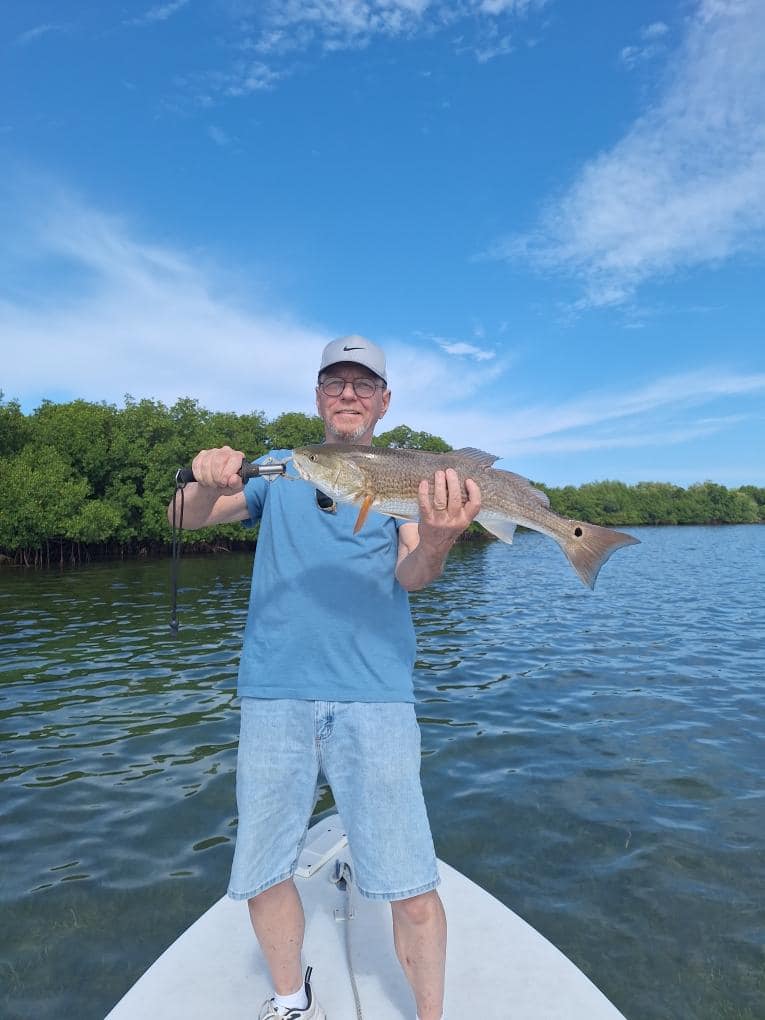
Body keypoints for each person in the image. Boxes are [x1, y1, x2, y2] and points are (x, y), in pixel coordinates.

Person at [170, 335, 481, 1020]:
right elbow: (183, 518)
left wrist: (435, 538)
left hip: (376, 696)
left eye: (362, 384)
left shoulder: (409, 479)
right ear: (316, 396)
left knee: (409, 880)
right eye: (334, 382)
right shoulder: (282, 469)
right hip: (274, 694)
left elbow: (415, 576)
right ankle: (289, 997)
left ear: (383, 401)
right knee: (260, 868)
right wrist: (202, 476)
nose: (348, 393)